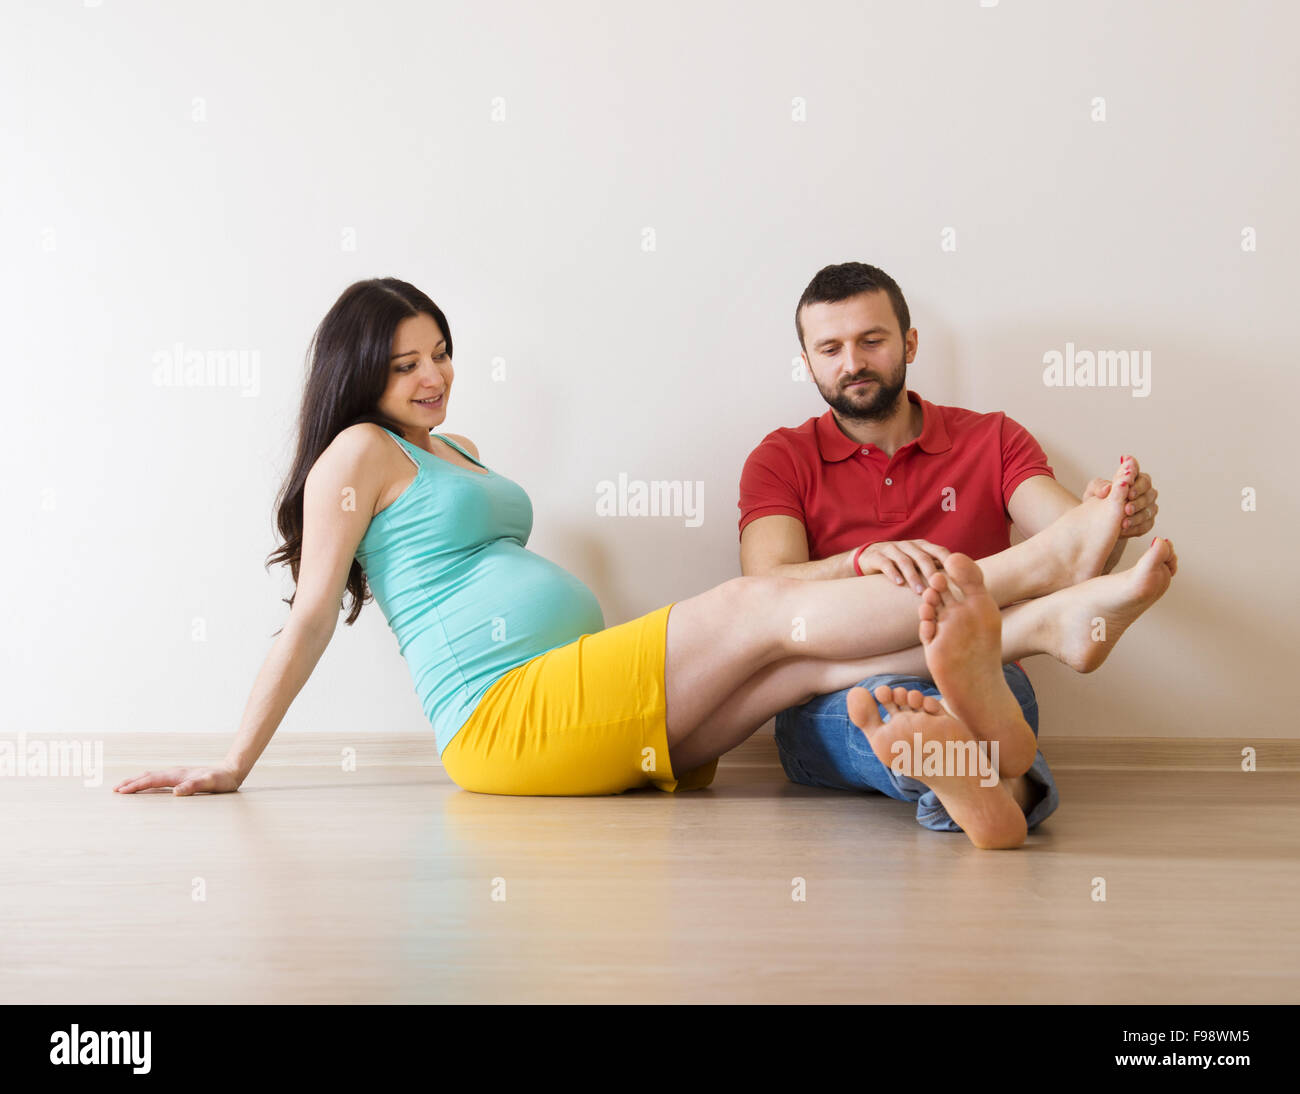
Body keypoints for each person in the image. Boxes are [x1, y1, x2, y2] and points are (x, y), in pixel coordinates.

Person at [115, 277, 1176, 849]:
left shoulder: (453, 450)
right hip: (507, 717)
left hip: (582, 702)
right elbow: (306, 617)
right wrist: (234, 761)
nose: (433, 375)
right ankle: (1041, 590)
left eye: (440, 351)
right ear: (359, 373)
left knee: (795, 668)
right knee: (756, 609)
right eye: (405, 363)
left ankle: (1025, 671)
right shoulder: (354, 452)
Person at [738, 261, 1167, 838]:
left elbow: (1078, 558)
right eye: (830, 348)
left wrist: (1111, 520)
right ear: (808, 362)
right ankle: (1007, 789)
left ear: (909, 342)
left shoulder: (992, 439)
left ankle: (963, 782)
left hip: (981, 671)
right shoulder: (781, 458)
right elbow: (765, 590)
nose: (853, 363)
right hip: (833, 687)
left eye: (871, 340)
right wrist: (857, 558)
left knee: (965, 702)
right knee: (878, 706)